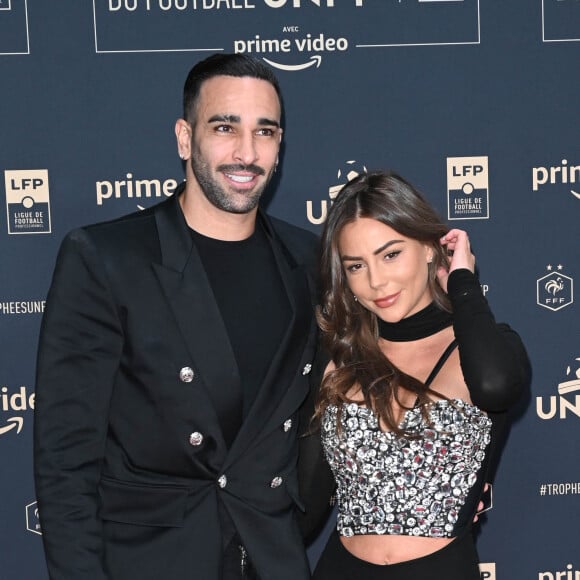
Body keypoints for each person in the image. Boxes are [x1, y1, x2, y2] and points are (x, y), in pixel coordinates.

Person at [34, 53, 320, 580]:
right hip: (150, 561)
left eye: (265, 132)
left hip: (270, 558)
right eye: (224, 127)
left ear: (280, 146)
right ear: (185, 138)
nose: (246, 152)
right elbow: (65, 461)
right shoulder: (108, 258)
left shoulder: (308, 261)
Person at [310, 171, 530, 579]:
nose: (376, 281)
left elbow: (495, 386)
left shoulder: (485, 347)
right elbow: (304, 501)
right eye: (356, 266)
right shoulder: (340, 362)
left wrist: (462, 282)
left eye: (390, 254)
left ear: (429, 247)